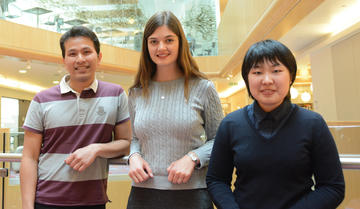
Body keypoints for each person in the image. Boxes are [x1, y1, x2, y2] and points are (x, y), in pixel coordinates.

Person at [206, 39, 345, 209]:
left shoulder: (313, 123)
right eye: (257, 72)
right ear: (247, 78)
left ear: (291, 75)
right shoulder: (231, 124)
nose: (267, 80)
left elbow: (333, 187)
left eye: (276, 71)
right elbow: (217, 180)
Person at [20, 26, 132, 209]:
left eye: (87, 52)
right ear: (64, 60)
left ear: (99, 57)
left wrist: (96, 149)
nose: (80, 59)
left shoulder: (116, 94)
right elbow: (29, 158)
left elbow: (126, 143)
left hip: (93, 201)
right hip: (46, 200)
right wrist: (27, 207)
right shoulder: (42, 100)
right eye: (72, 54)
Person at [127, 11, 223, 209]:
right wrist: (133, 156)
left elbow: (220, 140)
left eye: (169, 40)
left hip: (192, 195)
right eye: (154, 41)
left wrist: (193, 158)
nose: (161, 47)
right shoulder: (137, 92)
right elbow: (134, 139)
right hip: (142, 194)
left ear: (181, 42)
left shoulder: (203, 88)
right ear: (146, 46)